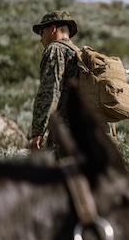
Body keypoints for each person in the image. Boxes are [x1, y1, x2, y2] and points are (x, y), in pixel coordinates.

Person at [28, 10, 114, 151]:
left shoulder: (54, 49)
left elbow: (49, 92)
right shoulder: (79, 54)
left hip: (68, 135)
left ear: (53, 29)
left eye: (41, 32)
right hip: (93, 133)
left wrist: (38, 132)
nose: (40, 38)